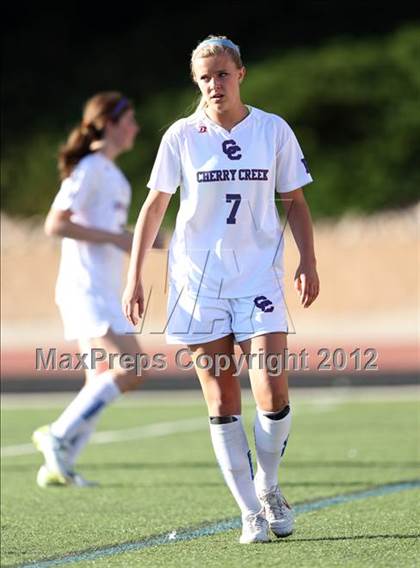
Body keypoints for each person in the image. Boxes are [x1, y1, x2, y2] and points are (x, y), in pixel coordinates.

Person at [123, 36, 319, 543]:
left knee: (272, 388)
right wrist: (135, 276)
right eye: (205, 77)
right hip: (197, 281)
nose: (215, 84)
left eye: (223, 74)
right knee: (221, 395)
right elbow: (154, 208)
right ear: (197, 82)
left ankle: (269, 485)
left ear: (241, 74)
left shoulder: (272, 130)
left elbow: (294, 200)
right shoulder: (182, 136)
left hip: (257, 277)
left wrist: (308, 260)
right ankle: (249, 510)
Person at [32, 92, 143, 487]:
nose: (135, 128)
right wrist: (115, 240)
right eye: (129, 120)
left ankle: (59, 465)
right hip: (85, 288)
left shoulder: (115, 176)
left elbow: (113, 234)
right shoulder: (91, 168)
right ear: (109, 124)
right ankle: (57, 436)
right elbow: (55, 224)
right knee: (131, 367)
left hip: (103, 289)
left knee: (98, 377)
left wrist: (152, 240)